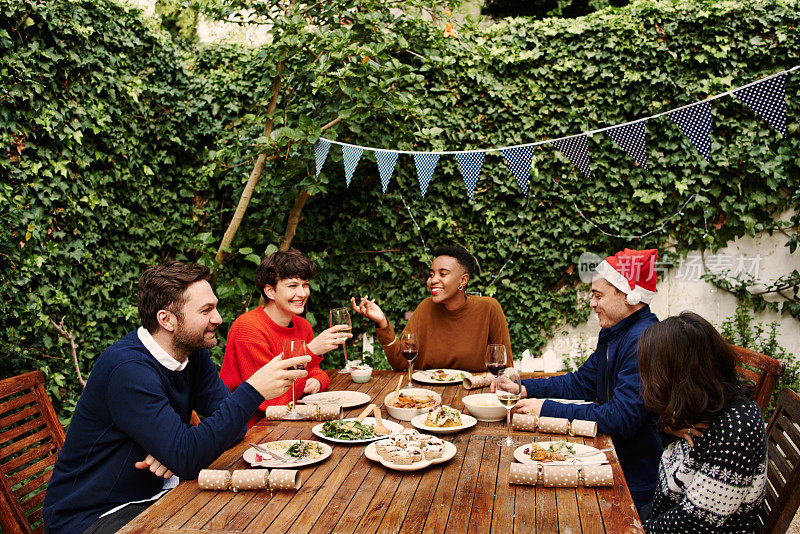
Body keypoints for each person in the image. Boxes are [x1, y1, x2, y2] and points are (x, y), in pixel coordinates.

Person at [43, 261, 309, 534]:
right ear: (166, 319)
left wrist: (176, 449)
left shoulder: (192, 353)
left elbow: (234, 426)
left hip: (158, 495)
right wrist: (252, 391)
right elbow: (190, 455)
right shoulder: (127, 370)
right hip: (94, 516)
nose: (217, 318)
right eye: (206, 310)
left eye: (214, 307)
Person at [506, 248, 661, 511]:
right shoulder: (616, 332)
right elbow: (580, 383)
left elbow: (620, 418)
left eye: (598, 295)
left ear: (628, 296)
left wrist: (545, 409)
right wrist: (524, 389)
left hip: (631, 480)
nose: (592, 303)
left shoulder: (644, 341)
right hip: (608, 458)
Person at [638, 312, 767, 532]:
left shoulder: (737, 427)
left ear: (682, 373)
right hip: (661, 512)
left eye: (656, 372)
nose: (653, 381)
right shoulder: (704, 401)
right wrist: (671, 429)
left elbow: (695, 523)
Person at [220, 249, 351, 427]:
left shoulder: (302, 326)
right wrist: (310, 351)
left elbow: (315, 372)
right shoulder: (248, 328)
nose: (303, 293)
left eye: (305, 284)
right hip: (249, 429)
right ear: (270, 291)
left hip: (291, 421)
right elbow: (273, 402)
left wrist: (318, 381)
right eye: (292, 286)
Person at [351, 245, 512, 373]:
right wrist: (381, 322)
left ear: (463, 280)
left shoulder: (489, 308)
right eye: (431, 274)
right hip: (428, 399)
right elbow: (401, 363)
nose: (432, 280)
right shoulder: (425, 307)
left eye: (443, 274)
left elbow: (505, 368)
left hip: (477, 399)